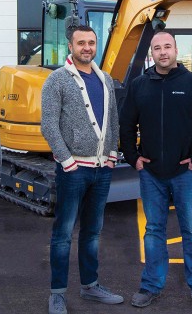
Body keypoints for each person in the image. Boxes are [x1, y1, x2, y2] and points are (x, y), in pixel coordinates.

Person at [119, 30, 192, 312]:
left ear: (177, 50)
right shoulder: (140, 86)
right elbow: (126, 126)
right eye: (157, 48)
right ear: (151, 54)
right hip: (151, 174)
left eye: (167, 47)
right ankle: (150, 286)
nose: (162, 52)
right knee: (153, 232)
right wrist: (133, 158)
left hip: (186, 174)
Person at [40, 25, 124, 314]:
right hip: (73, 170)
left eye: (91, 42)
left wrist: (113, 154)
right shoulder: (57, 80)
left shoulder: (105, 79)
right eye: (81, 43)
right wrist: (67, 162)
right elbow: (49, 125)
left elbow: (113, 120)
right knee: (63, 233)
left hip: (102, 171)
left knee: (92, 232)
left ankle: (90, 286)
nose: (86, 47)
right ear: (70, 47)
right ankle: (57, 293)